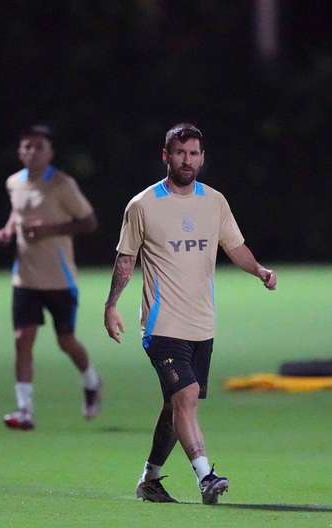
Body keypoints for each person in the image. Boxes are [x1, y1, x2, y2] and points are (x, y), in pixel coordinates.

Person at [103, 123, 277, 505]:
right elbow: (126, 259)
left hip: (202, 323)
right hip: (162, 324)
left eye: (194, 153)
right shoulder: (143, 205)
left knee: (176, 404)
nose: (187, 160)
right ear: (166, 155)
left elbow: (235, 246)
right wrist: (112, 304)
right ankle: (206, 475)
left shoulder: (214, 201)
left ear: (202, 157)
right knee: (187, 395)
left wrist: (259, 270)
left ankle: (149, 479)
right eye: (180, 153)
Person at [0, 124, 103, 430]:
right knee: (22, 340)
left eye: (39, 146)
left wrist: (50, 231)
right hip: (25, 278)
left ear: (50, 152)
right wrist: (8, 229)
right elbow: (18, 212)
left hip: (59, 279)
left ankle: (92, 381)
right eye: (27, 146)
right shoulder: (13, 183)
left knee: (66, 341)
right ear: (20, 151)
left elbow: (89, 222)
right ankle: (24, 411)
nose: (32, 151)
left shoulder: (61, 184)